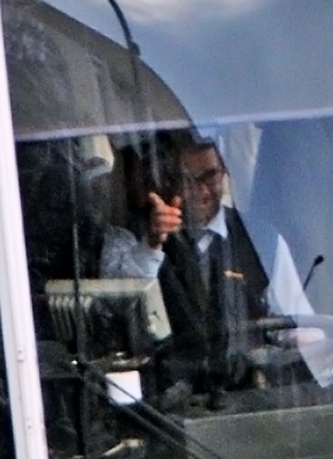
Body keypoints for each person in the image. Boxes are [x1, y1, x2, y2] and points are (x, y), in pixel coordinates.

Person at [100, 133, 279, 396]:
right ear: (169, 181)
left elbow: (290, 319)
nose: (200, 191)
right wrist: (151, 244)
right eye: (186, 180)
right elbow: (112, 304)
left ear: (225, 172)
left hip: (246, 399)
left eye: (209, 176)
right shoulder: (129, 234)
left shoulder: (261, 238)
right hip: (162, 410)